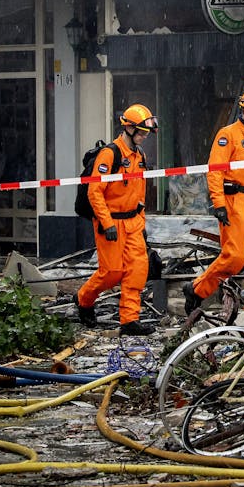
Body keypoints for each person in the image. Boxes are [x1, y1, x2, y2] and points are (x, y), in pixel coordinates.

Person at [184, 86, 244, 314]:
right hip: (236, 202)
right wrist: (219, 204)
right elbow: (215, 171)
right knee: (234, 258)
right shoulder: (228, 135)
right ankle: (196, 289)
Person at [76, 104, 158, 337]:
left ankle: (130, 320)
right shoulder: (110, 154)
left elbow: (139, 195)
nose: (144, 136)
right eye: (141, 132)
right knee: (111, 271)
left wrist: (141, 224)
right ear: (129, 128)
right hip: (110, 221)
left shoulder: (140, 156)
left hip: (133, 221)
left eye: (145, 132)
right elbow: (95, 192)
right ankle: (84, 299)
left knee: (137, 270)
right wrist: (107, 223)